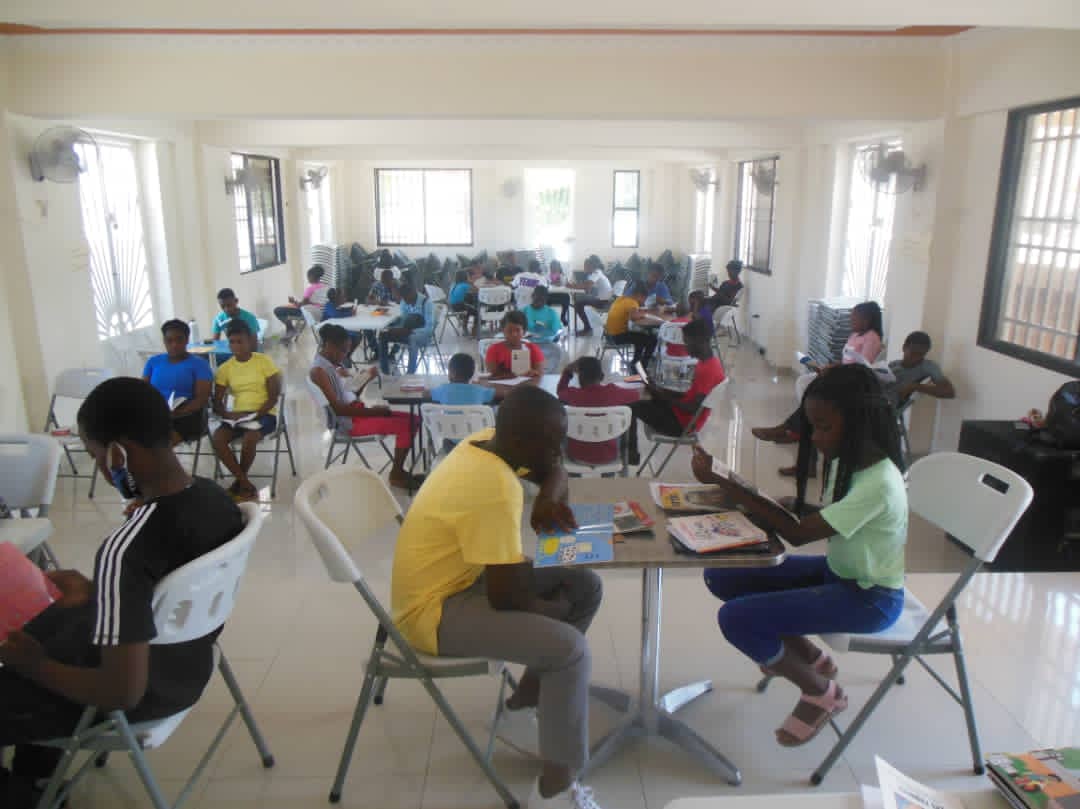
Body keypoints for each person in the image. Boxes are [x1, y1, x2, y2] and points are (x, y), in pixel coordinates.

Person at [0, 377, 243, 809]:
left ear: (118, 454)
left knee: (26, 658)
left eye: (96, 455)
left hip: (137, 694)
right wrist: (100, 593)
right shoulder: (214, 498)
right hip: (189, 664)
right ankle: (36, 775)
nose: (100, 466)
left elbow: (120, 693)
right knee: (55, 626)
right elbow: (165, 590)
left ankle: (23, 796)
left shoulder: (125, 549)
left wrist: (35, 665)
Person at [390, 386, 606, 809]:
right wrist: (552, 611)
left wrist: (547, 495)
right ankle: (554, 791)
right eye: (552, 443)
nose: (560, 452)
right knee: (570, 651)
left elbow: (555, 469)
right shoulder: (496, 487)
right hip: (433, 610)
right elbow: (509, 597)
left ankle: (523, 703)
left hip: (464, 577)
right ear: (522, 442)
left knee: (585, 586)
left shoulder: (485, 440)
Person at [690, 364, 907, 747]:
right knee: (723, 574)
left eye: (824, 427)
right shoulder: (850, 461)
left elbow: (797, 535)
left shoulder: (879, 483)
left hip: (870, 597)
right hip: (839, 573)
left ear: (860, 424)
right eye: (813, 427)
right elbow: (832, 517)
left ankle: (821, 692)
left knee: (737, 619)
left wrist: (725, 482)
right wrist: (792, 504)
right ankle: (809, 656)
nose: (816, 438)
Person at [753, 301, 885, 477]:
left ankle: (789, 430)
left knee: (813, 403)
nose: (851, 321)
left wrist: (835, 370)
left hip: (853, 387)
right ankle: (792, 433)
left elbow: (862, 368)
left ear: (867, 319)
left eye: (855, 318)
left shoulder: (872, 338)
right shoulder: (855, 335)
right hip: (841, 379)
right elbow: (846, 359)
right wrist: (832, 366)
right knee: (807, 388)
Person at [310, 325, 422, 489]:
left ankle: (399, 471)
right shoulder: (319, 371)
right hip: (349, 424)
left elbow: (349, 396)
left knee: (415, 419)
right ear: (329, 345)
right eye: (343, 351)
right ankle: (396, 474)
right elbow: (339, 410)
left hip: (355, 413)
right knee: (407, 424)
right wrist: (372, 412)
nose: (345, 355)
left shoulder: (331, 365)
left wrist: (366, 379)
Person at [626, 318, 724, 465]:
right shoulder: (709, 362)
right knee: (649, 398)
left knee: (630, 409)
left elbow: (692, 408)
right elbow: (690, 396)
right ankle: (630, 453)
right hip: (683, 417)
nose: (685, 347)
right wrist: (661, 390)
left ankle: (631, 456)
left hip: (682, 425)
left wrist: (663, 396)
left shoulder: (708, 370)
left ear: (699, 341)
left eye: (687, 342)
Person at [210, 320, 282, 501]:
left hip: (265, 414)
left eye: (240, 341)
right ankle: (243, 482)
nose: (236, 346)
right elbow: (217, 402)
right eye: (232, 342)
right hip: (237, 416)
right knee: (218, 438)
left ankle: (239, 483)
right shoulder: (225, 368)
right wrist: (228, 415)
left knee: (250, 438)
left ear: (249, 341)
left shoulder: (263, 361)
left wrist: (254, 415)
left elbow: (273, 397)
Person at [557, 357, 640, 467]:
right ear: (602, 376)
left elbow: (560, 391)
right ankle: (629, 455)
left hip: (576, 455)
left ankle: (575, 475)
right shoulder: (613, 392)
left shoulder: (572, 394)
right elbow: (636, 395)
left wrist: (567, 372)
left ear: (580, 378)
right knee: (629, 413)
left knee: (562, 420)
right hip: (609, 455)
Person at [141, 319, 213, 447]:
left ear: (187, 340)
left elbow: (201, 399)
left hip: (188, 416)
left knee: (159, 446)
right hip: (158, 413)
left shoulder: (199, 364)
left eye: (179, 340)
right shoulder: (153, 362)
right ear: (164, 341)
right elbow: (142, 391)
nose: (174, 345)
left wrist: (177, 413)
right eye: (169, 340)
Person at [886, 331, 955, 408]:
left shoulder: (928, 367)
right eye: (913, 353)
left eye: (921, 355)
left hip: (890, 409)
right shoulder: (893, 365)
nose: (916, 358)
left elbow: (949, 392)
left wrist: (916, 386)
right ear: (904, 347)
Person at [378, 283, 434, 375]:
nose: (405, 302)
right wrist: (395, 328)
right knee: (383, 334)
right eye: (403, 298)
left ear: (413, 293)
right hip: (406, 331)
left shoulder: (426, 303)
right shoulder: (404, 301)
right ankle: (385, 371)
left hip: (422, 335)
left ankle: (410, 374)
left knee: (412, 338)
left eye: (407, 298)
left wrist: (411, 331)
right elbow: (403, 321)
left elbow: (429, 329)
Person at [604, 281, 658, 368]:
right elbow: (634, 317)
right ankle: (643, 365)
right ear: (639, 295)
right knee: (652, 340)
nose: (644, 301)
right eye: (644, 298)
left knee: (640, 337)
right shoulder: (632, 302)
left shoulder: (621, 298)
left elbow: (632, 312)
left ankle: (636, 362)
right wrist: (643, 314)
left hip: (608, 335)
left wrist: (640, 311)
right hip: (617, 337)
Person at [274, 265, 329, 344]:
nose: (308, 279)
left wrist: (293, 301)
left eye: (308, 277)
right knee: (287, 308)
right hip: (321, 312)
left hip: (310, 313)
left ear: (312, 277)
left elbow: (301, 305)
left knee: (278, 310)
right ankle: (290, 330)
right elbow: (315, 302)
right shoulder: (326, 287)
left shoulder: (310, 289)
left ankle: (291, 329)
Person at [486, 311, 544, 379]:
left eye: (518, 330)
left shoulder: (533, 349)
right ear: (503, 330)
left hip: (527, 384)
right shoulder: (494, 350)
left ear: (524, 332)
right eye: (509, 330)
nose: (514, 334)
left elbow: (540, 374)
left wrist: (533, 373)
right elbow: (492, 374)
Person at [431, 353, 497, 406]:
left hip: (447, 419)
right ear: (472, 374)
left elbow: (426, 393)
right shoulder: (480, 390)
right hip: (474, 419)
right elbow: (500, 393)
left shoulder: (442, 389)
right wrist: (484, 384)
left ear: (452, 373)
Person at [321, 288, 363, 365]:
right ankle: (344, 357)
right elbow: (335, 314)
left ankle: (346, 356)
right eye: (343, 296)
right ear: (336, 298)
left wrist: (349, 310)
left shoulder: (335, 305)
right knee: (354, 336)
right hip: (329, 332)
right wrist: (350, 313)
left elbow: (340, 311)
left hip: (336, 328)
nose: (345, 298)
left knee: (357, 335)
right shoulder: (329, 305)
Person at [572, 257, 614, 335]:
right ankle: (588, 327)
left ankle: (587, 328)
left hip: (604, 302)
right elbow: (588, 287)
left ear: (590, 266)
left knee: (578, 304)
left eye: (585, 266)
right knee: (580, 300)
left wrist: (571, 286)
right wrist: (579, 285)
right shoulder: (596, 272)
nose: (584, 268)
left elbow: (587, 286)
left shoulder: (596, 273)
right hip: (604, 299)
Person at [448, 269, 477, 333]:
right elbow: (476, 290)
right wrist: (471, 282)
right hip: (460, 306)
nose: (468, 277)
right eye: (467, 276)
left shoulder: (454, 285)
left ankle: (465, 327)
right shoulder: (465, 285)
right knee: (478, 312)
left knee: (469, 307)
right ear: (465, 277)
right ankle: (474, 330)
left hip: (452, 307)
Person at [546, 259, 572, 326]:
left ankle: (563, 317)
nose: (554, 268)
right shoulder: (547, 275)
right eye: (552, 266)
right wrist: (554, 283)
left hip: (561, 295)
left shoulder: (563, 275)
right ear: (550, 267)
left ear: (559, 267)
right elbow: (547, 283)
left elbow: (564, 284)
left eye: (556, 266)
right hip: (550, 295)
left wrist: (556, 282)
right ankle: (548, 318)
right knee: (545, 299)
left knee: (567, 297)